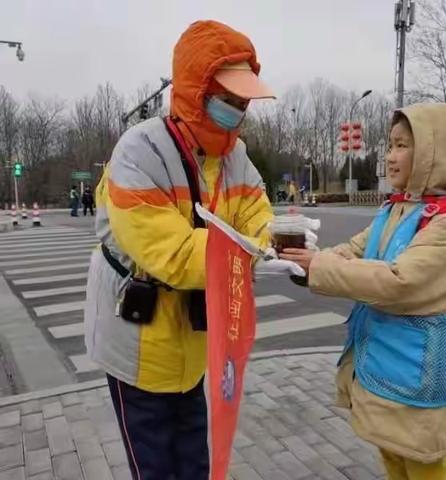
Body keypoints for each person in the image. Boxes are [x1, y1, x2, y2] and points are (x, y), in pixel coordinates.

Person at [84, 20, 301, 480]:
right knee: (156, 467)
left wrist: (275, 237)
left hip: (195, 345)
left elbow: (256, 213)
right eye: (229, 98)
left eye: (245, 100)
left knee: (195, 463)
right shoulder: (139, 152)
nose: (239, 109)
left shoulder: (234, 156)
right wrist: (253, 252)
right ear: (195, 90)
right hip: (136, 348)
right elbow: (176, 254)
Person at [280, 103, 446, 480]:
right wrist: (309, 260)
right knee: (392, 457)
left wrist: (319, 267)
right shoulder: (395, 210)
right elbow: (355, 249)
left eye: (402, 146)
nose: (389, 157)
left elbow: (397, 280)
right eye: (389, 145)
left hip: (418, 367)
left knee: (424, 464)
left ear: (434, 155)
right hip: (387, 361)